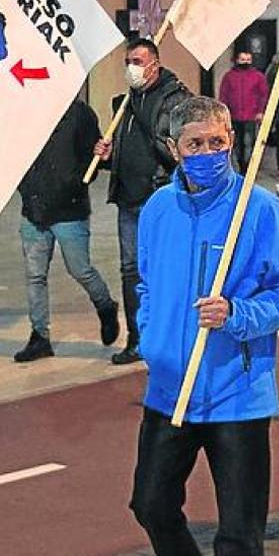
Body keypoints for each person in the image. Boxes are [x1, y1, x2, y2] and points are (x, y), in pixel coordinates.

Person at [130, 96, 279, 556]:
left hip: (238, 394)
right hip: (170, 390)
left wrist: (237, 314)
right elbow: (146, 283)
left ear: (232, 141)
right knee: (151, 504)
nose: (208, 152)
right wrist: (152, 336)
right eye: (196, 144)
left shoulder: (259, 209)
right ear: (174, 149)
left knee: (238, 533)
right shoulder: (158, 211)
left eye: (218, 142)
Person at [93, 37, 190, 366]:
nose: (131, 69)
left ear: (154, 64)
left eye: (137, 61)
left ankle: (168, 336)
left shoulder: (174, 99)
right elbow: (127, 149)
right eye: (128, 63)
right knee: (131, 271)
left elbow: (171, 146)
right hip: (128, 200)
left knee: (163, 272)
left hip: (159, 198)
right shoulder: (124, 104)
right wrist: (107, 157)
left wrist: (143, 112)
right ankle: (136, 339)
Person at [14, 98, 120, 362]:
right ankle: (39, 336)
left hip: (69, 208)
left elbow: (94, 158)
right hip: (34, 206)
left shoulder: (79, 114)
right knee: (35, 275)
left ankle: (105, 305)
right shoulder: (23, 112)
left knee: (80, 269)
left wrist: (84, 173)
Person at [220, 49, 269, 172]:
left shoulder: (258, 77)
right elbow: (224, 95)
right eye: (243, 59)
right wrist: (224, 113)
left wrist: (260, 111)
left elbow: (263, 95)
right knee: (237, 143)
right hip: (234, 115)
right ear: (237, 60)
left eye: (248, 60)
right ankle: (241, 165)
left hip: (251, 116)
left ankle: (250, 166)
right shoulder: (229, 76)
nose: (245, 62)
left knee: (250, 142)